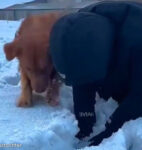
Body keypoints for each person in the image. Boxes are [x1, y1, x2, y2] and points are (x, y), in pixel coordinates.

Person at [49, 1, 142, 145]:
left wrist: (113, 125)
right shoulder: (79, 29)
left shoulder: (136, 40)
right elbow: (80, 76)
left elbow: (139, 95)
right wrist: (84, 118)